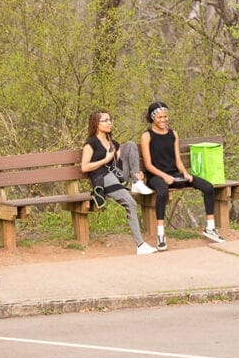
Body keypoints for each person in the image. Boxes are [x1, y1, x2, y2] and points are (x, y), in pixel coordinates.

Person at [139, 100, 224, 251]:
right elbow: (148, 165)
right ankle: (161, 234)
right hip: (156, 177)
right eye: (160, 117)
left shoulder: (173, 134)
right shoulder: (147, 136)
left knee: (208, 187)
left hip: (175, 174)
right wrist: (164, 176)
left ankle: (210, 228)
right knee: (163, 192)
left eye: (166, 117)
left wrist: (185, 173)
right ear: (153, 118)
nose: (164, 120)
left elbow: (177, 159)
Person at [80, 110, 158, 255]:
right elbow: (84, 167)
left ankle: (136, 181)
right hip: (103, 178)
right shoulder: (91, 144)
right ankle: (140, 245)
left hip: (117, 175)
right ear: (96, 124)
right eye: (105, 120)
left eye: (110, 119)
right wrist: (105, 159)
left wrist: (137, 172)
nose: (110, 123)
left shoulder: (113, 143)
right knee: (131, 203)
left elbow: (120, 164)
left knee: (129, 145)